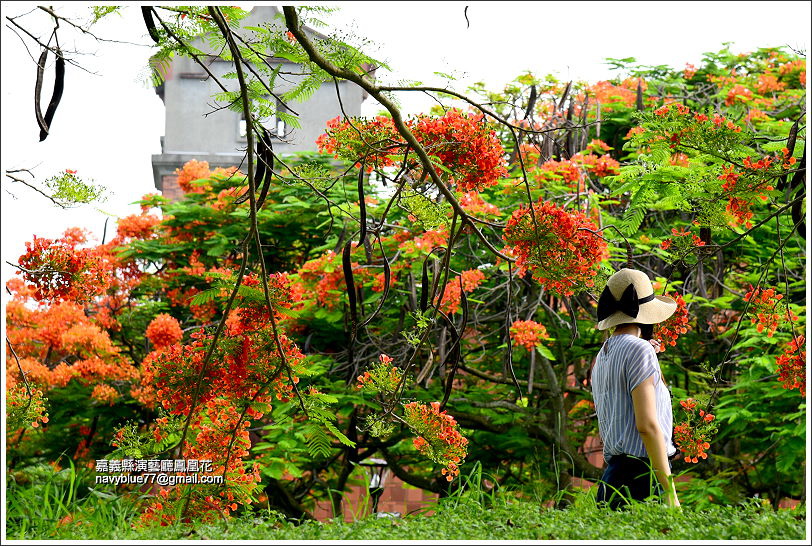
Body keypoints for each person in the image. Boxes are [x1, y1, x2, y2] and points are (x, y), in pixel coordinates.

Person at [590, 268, 681, 509]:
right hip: (642, 479)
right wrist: (670, 491)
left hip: (611, 482)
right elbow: (647, 426)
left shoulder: (603, 355)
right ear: (646, 314)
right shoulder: (640, 350)